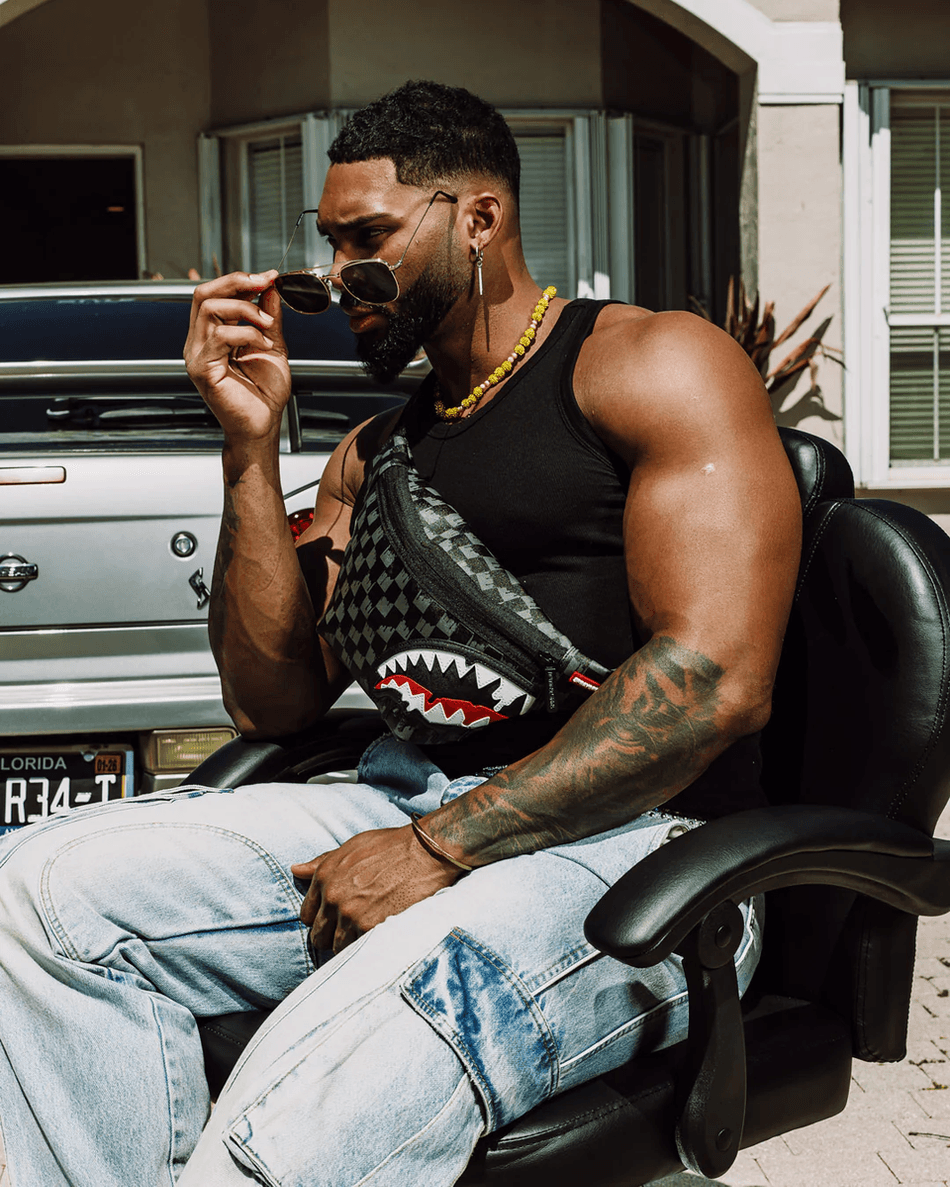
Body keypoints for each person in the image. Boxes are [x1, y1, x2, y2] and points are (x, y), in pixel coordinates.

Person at [0, 81, 800, 1186]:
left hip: (644, 852)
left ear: (477, 218)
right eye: (328, 244)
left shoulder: (646, 364)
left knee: (291, 1122)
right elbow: (271, 699)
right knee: (39, 895)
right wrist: (248, 444)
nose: (337, 276)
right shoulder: (375, 455)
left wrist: (436, 849)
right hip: (402, 806)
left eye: (367, 238)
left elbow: (711, 680)